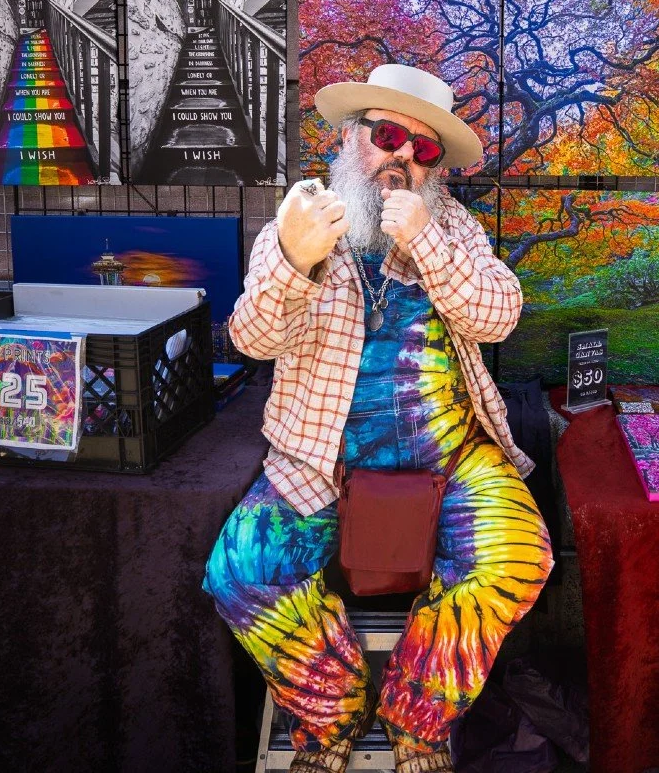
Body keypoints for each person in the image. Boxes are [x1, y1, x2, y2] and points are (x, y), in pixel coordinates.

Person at [202, 64, 554, 773]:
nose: (402, 157)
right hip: (318, 458)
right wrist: (295, 262)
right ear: (348, 137)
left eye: (423, 150)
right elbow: (250, 339)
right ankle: (329, 712)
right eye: (387, 135)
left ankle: (416, 719)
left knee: (521, 557)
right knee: (242, 572)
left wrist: (427, 241)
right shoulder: (300, 218)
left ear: (435, 170)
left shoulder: (455, 228)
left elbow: (499, 315)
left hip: (453, 456)